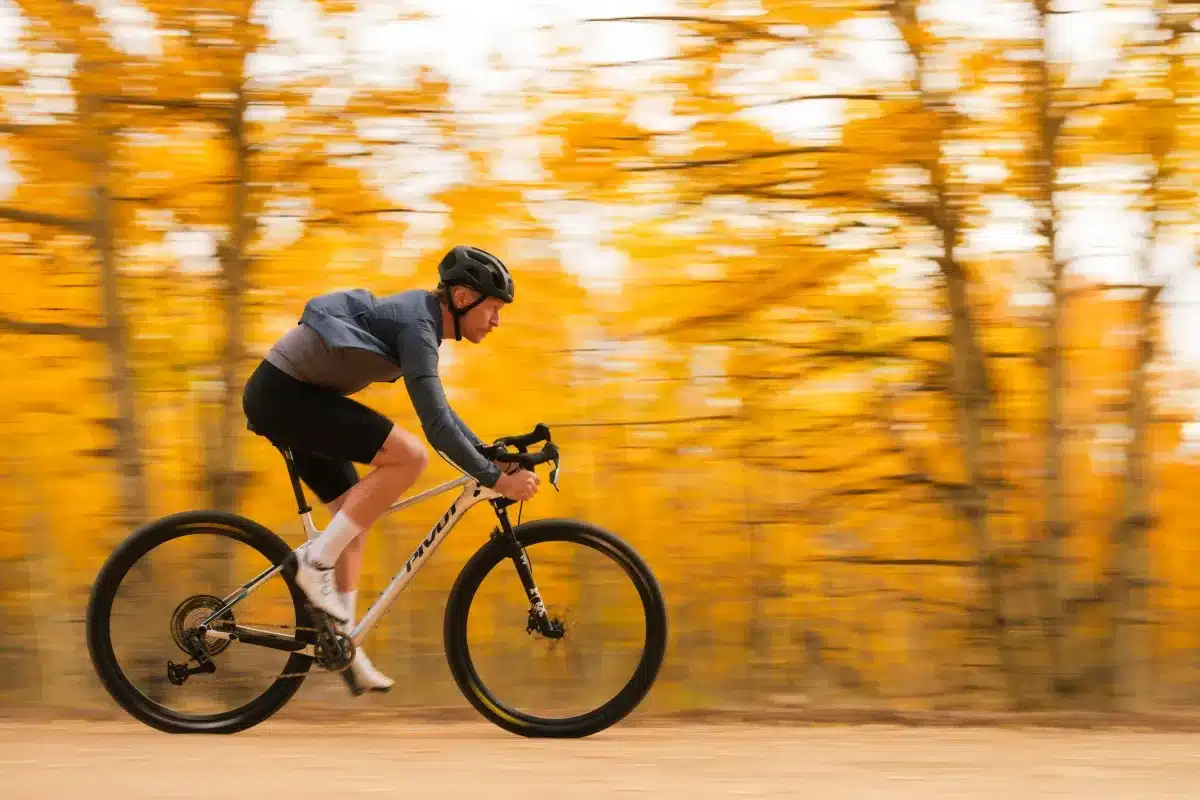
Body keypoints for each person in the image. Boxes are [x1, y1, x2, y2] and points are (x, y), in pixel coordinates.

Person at [241, 245, 541, 695]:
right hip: (285, 395)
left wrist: (486, 453)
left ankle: (342, 645)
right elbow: (436, 426)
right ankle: (313, 562)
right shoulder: (417, 326)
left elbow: (442, 410)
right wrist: (496, 478)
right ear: (462, 298)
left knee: (354, 518)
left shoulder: (422, 324)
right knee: (410, 456)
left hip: (297, 397)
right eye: (494, 308)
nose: (496, 320)